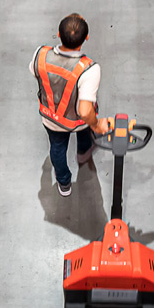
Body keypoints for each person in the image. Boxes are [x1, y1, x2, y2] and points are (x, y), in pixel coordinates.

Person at [30, 13, 109, 197]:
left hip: (51, 118)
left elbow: (35, 73)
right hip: (78, 122)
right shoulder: (90, 69)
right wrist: (97, 125)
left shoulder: (40, 55)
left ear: (58, 34)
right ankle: (83, 154)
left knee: (57, 148)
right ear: (86, 38)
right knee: (84, 132)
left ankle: (64, 184)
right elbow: (84, 111)